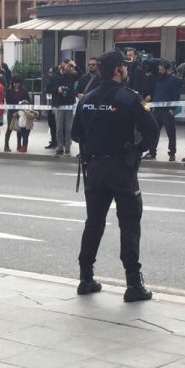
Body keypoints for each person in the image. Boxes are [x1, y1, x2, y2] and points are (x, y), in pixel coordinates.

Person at [71, 49, 160, 303]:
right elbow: (151, 131)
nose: (127, 70)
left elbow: (76, 134)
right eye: (124, 66)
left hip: (95, 169)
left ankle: (85, 277)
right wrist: (136, 150)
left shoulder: (86, 98)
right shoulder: (130, 98)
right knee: (129, 223)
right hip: (121, 168)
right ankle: (133, 283)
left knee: (94, 223)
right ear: (117, 70)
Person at [51, 61, 79, 156]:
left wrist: (75, 66)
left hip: (69, 104)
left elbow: (82, 76)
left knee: (68, 128)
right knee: (59, 128)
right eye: (65, 64)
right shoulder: (55, 76)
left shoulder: (71, 75)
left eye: (68, 65)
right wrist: (57, 89)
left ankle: (67, 148)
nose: (66, 66)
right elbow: (48, 88)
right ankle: (59, 147)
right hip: (59, 104)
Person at [5, 75, 32, 152]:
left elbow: (28, 100)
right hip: (12, 112)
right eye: (15, 83)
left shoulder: (24, 90)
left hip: (22, 112)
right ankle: (6, 145)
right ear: (12, 83)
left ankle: (19, 145)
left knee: (20, 129)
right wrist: (14, 112)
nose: (16, 85)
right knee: (9, 128)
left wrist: (25, 104)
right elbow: (8, 102)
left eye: (18, 83)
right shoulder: (9, 90)